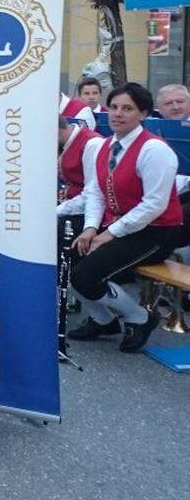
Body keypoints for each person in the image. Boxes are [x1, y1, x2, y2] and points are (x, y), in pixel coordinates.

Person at [69, 83, 182, 353]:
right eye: (115, 107)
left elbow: (154, 205)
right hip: (123, 227)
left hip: (156, 232)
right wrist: (91, 228)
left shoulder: (155, 150)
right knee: (69, 256)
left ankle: (141, 317)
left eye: (128, 109)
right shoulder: (105, 146)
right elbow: (94, 192)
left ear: (143, 114)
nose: (118, 114)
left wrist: (109, 233)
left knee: (86, 276)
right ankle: (103, 320)